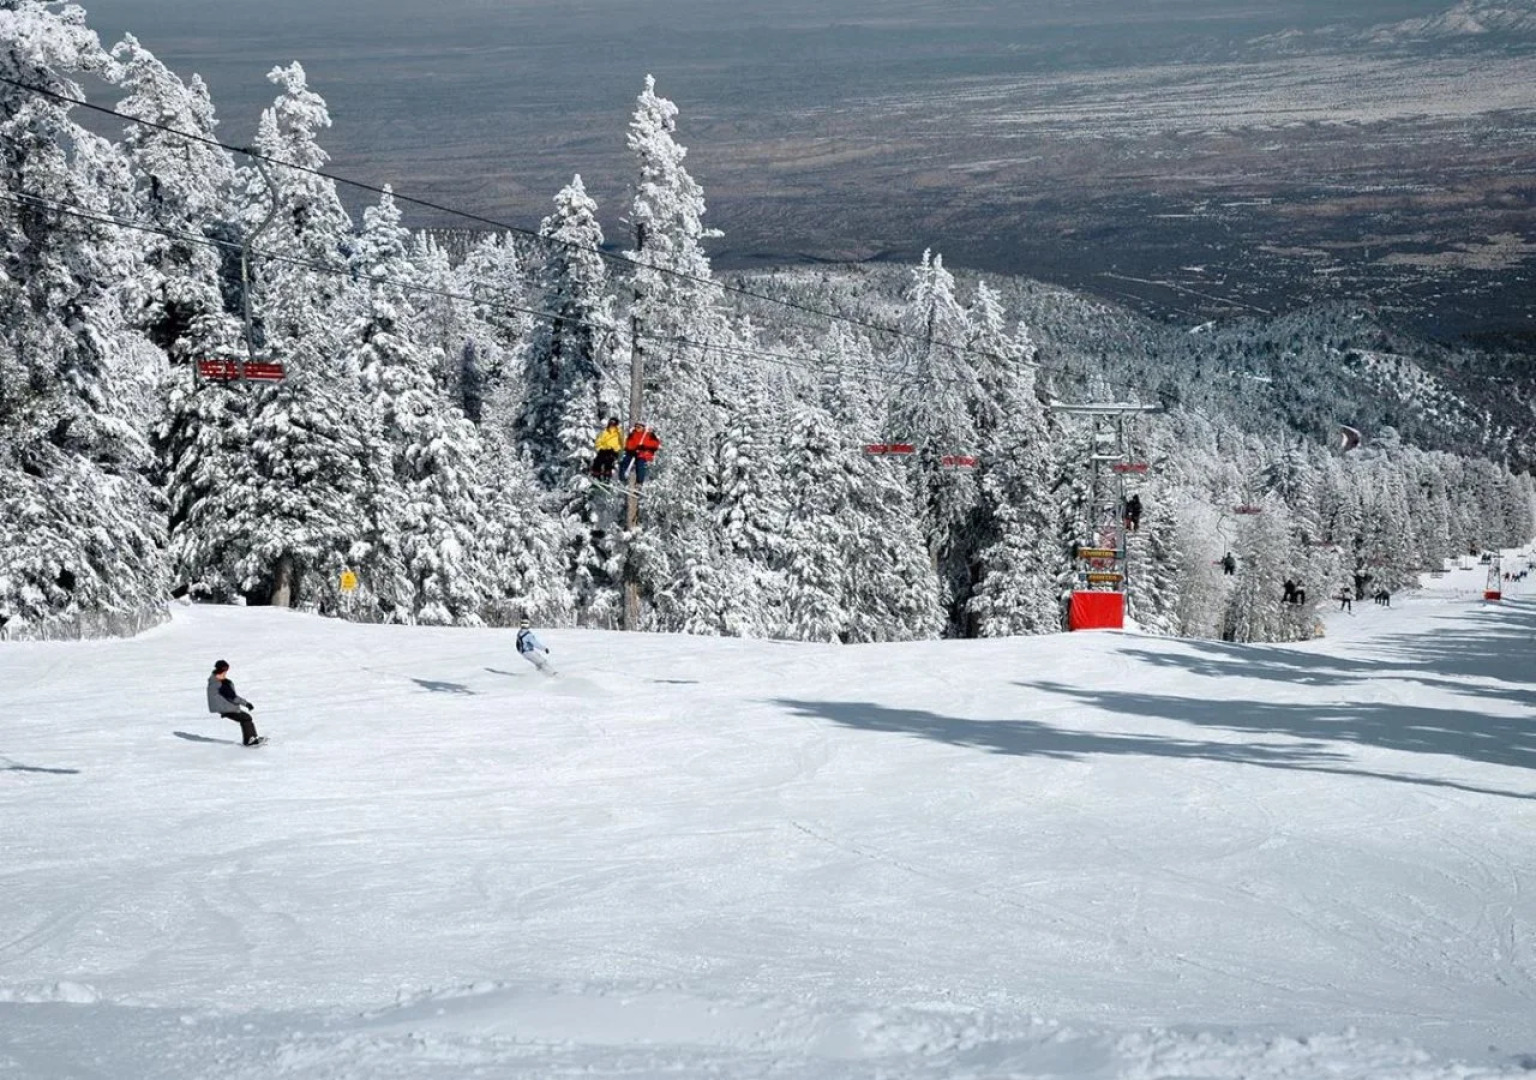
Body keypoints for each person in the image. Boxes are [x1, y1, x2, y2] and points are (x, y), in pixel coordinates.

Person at [207, 659, 264, 746]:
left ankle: (252, 739)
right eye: (225, 671)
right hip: (226, 708)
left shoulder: (215, 680)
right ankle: (250, 741)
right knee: (246, 718)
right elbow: (233, 697)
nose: (225, 673)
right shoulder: (220, 684)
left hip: (224, 708)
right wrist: (247, 704)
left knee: (246, 718)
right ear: (222, 670)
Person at [590, 417, 622, 481]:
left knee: (609, 460)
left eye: (613, 423)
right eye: (611, 422)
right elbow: (599, 440)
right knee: (598, 460)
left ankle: (607, 475)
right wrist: (599, 446)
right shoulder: (605, 431)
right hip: (604, 449)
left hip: (613, 450)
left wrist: (617, 448)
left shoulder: (619, 432)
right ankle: (596, 474)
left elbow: (622, 442)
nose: (612, 424)